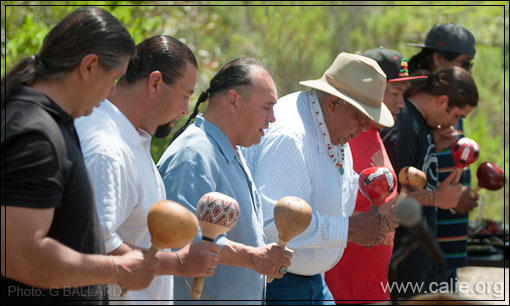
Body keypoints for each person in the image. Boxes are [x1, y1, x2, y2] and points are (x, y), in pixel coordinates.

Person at [1, 7, 158, 304]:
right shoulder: (34, 133)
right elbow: (20, 256)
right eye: (113, 79)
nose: (112, 92)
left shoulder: (51, 122)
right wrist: (116, 268)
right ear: (89, 66)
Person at [242, 52, 399, 305]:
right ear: (335, 103)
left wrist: (381, 211)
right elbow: (272, 224)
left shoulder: (330, 124)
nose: (364, 126)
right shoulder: (291, 136)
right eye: (361, 116)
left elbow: (335, 189)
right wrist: (349, 229)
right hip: (279, 284)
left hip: (312, 282)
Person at [75, 35, 221, 304]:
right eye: (184, 96)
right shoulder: (107, 147)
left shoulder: (133, 140)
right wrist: (178, 263)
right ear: (155, 83)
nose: (184, 109)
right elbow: (96, 247)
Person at [157, 57, 293, 304]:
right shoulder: (194, 154)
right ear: (234, 100)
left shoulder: (231, 149)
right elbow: (180, 240)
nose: (273, 118)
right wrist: (252, 257)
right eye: (266, 107)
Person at [325, 48, 428, 303]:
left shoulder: (374, 133)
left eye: (403, 95)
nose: (401, 104)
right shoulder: (342, 139)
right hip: (340, 290)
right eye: (395, 93)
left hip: (374, 286)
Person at [380, 66, 479, 299]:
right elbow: (387, 202)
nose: (454, 124)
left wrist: (433, 143)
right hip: (400, 261)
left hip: (417, 259)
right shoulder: (401, 128)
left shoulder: (420, 125)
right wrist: (437, 199)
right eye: (456, 115)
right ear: (442, 100)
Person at [408, 22, 479, 292]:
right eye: (465, 63)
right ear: (438, 58)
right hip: (424, 237)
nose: (470, 71)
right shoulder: (415, 104)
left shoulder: (450, 96)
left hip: (444, 232)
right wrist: (442, 198)